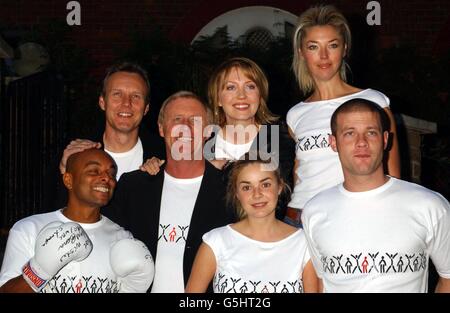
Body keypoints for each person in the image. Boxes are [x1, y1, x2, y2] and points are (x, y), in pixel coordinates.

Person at [301, 98, 450, 292]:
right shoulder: (314, 211)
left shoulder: (430, 206)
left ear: (385, 140)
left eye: (371, 133)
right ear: (333, 142)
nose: (361, 142)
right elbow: (323, 283)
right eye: (349, 133)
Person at [104, 91, 236, 293]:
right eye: (177, 119)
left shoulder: (231, 190)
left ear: (208, 131)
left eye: (195, 120)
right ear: (161, 128)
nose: (186, 127)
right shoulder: (134, 187)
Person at [285, 4, 401, 227]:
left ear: (344, 48)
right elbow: (301, 172)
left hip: (351, 215)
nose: (324, 55)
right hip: (299, 218)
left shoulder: (374, 102)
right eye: (313, 47)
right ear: (301, 52)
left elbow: (393, 175)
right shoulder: (295, 114)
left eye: (333, 45)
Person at [143, 57, 294, 218]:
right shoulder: (205, 136)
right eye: (231, 88)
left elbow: (272, 199)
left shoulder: (277, 138)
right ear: (218, 98)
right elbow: (184, 182)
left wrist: (215, 171)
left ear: (260, 95)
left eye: (250, 86)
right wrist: (158, 166)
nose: (241, 95)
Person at [0, 149, 154, 293]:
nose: (107, 178)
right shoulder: (29, 230)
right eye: (94, 171)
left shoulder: (122, 238)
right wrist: (38, 272)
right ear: (68, 180)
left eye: (111, 173)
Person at [185, 154, 318, 293]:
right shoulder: (215, 242)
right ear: (236, 193)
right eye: (246, 187)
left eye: (265, 185)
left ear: (279, 187)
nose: (257, 194)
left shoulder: (303, 243)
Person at [58, 61, 165, 181]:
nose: (126, 103)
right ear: (102, 102)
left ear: (146, 108)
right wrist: (64, 169)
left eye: (136, 96)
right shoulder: (78, 154)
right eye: (117, 94)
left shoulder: (164, 156)